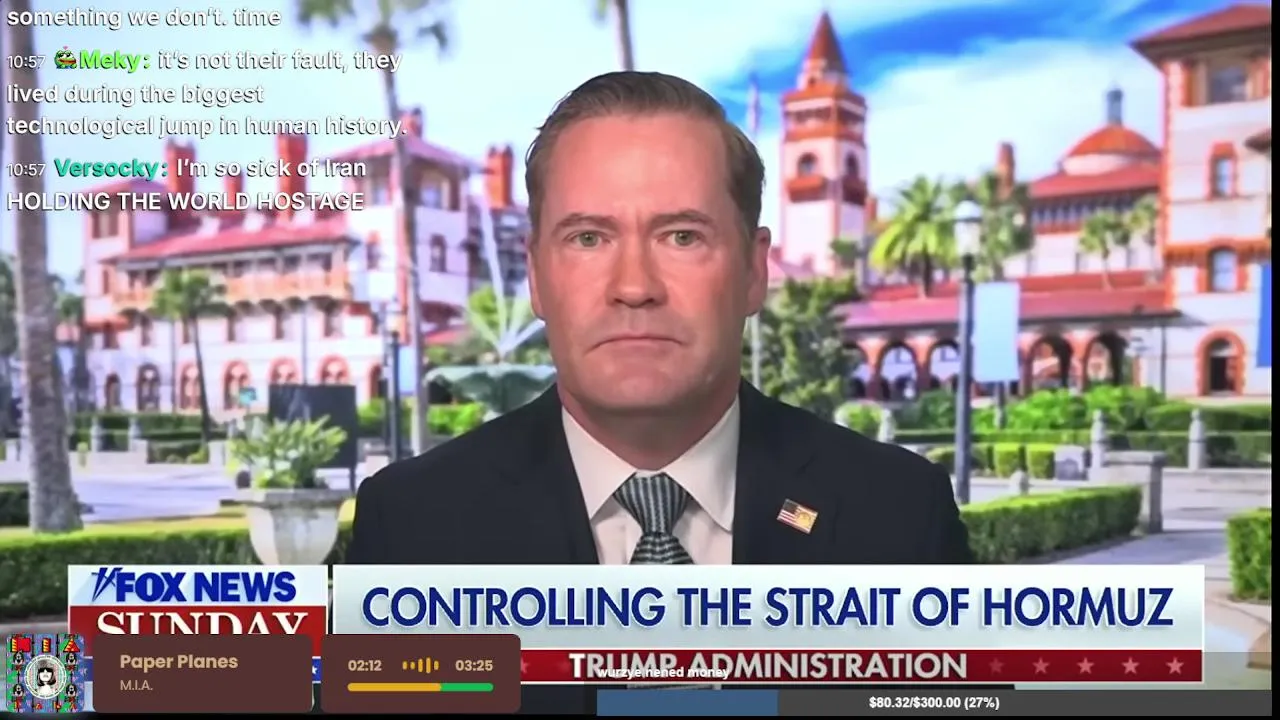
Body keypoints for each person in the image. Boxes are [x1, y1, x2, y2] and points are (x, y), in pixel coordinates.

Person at [347, 71, 974, 713]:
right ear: (535, 275)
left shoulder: (900, 518)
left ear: (754, 269)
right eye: (588, 238)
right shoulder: (413, 529)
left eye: (682, 236)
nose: (635, 287)